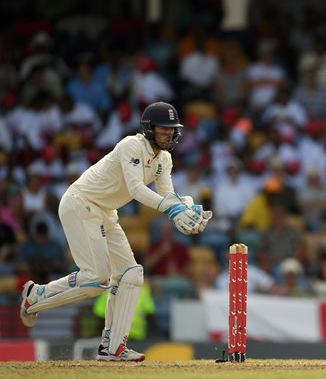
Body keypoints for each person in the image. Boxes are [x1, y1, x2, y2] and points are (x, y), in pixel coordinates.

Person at [19, 101, 213, 362]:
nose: (169, 134)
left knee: (132, 275)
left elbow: (167, 195)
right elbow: (135, 189)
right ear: (148, 129)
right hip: (81, 202)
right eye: (163, 129)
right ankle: (36, 297)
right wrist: (171, 208)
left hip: (106, 212)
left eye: (172, 129)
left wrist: (186, 207)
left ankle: (112, 348)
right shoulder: (131, 145)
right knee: (96, 277)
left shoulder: (164, 159)